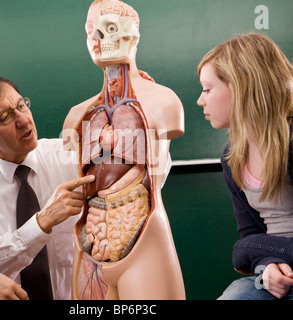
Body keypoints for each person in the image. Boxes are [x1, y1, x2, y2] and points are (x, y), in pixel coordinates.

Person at [197, 32, 293, 300]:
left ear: (243, 85)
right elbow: (251, 237)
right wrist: (265, 266)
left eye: (207, 89)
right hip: (270, 278)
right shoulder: (232, 158)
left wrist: (253, 248)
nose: (200, 100)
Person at [62, 0, 185, 299]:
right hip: (91, 243)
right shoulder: (77, 115)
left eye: (108, 28)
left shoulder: (163, 102)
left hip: (144, 237)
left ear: (132, 34)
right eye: (90, 30)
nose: (96, 38)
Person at [0, 74, 95, 300]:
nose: (23, 120)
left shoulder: (69, 155)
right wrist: (42, 222)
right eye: (4, 117)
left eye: (22, 105)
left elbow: (151, 165)